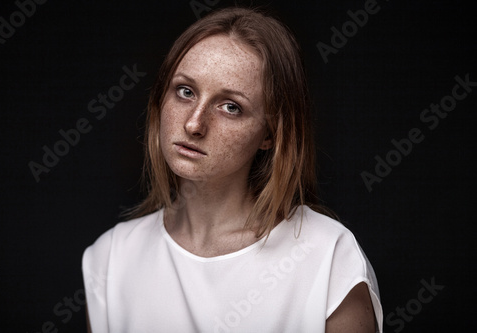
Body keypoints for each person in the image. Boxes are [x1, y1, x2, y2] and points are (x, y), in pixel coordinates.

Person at [82, 7, 383, 333]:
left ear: (269, 134)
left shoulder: (329, 259)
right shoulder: (111, 259)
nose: (194, 123)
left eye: (230, 107)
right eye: (185, 91)